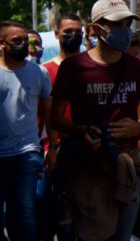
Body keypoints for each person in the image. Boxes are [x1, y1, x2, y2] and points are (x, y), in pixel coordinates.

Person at [49, 0, 140, 240]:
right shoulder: (73, 68)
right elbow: (55, 119)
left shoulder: (138, 67)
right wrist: (82, 131)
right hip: (87, 170)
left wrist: (139, 128)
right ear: (95, 29)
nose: (123, 30)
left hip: (127, 167)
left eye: (126, 23)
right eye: (115, 24)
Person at [0, 20, 52, 241]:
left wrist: (53, 148)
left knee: (25, 211)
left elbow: (47, 112)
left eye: (25, 40)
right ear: (2, 43)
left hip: (27, 152)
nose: (23, 45)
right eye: (16, 41)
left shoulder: (39, 73)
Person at [40, 13, 84, 240]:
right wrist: (51, 147)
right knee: (63, 213)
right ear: (57, 33)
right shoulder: (45, 71)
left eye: (78, 31)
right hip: (59, 149)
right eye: (68, 32)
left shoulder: (91, 67)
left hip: (89, 146)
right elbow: (45, 116)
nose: (73, 36)